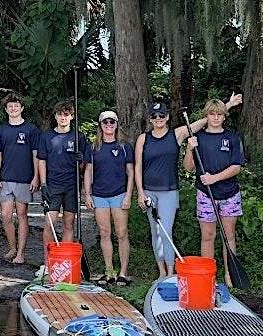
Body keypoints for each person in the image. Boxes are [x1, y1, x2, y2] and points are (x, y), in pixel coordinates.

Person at [135, 94, 242, 278]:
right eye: (155, 116)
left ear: (167, 117)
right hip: (150, 192)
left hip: (171, 191)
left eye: (162, 115)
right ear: (150, 119)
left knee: (166, 230)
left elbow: (207, 119)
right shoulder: (143, 139)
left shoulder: (177, 134)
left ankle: (172, 273)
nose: (158, 119)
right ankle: (163, 273)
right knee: (157, 233)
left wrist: (229, 105)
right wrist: (140, 193)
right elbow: (138, 166)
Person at [183, 98, 246, 287]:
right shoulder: (198, 138)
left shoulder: (233, 138)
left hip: (229, 194)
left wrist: (214, 178)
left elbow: (236, 167)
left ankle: (230, 275)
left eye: (219, 114)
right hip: (205, 194)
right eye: (212, 114)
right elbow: (188, 168)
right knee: (208, 236)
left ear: (224, 117)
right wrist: (189, 148)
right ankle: (207, 276)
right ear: (206, 116)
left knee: (229, 235)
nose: (216, 117)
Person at [37, 100, 89, 274]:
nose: (63, 118)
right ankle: (47, 263)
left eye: (66, 115)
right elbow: (41, 160)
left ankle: (65, 261)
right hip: (52, 184)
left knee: (69, 223)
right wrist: (43, 184)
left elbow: (83, 166)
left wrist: (80, 159)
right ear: (55, 116)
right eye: (60, 114)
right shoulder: (47, 137)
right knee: (50, 223)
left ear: (72, 117)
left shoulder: (78, 137)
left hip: (72, 185)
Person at [83, 110, 134, 285]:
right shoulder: (93, 147)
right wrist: (87, 194)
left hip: (119, 194)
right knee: (105, 233)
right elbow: (88, 172)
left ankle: (123, 273)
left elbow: (131, 173)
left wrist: (128, 195)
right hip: (99, 196)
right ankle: (110, 271)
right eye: (105, 123)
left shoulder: (124, 147)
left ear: (117, 124)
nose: (109, 125)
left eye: (112, 122)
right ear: (100, 125)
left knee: (121, 233)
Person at [0, 92, 40, 264]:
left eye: (16, 106)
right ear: (6, 109)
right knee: (5, 215)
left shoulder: (31, 129)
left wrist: (36, 177)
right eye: (10, 106)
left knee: (21, 215)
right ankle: (12, 247)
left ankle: (21, 253)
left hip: (25, 179)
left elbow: (36, 154)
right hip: (5, 178)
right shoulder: (1, 130)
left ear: (22, 108)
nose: (13, 109)